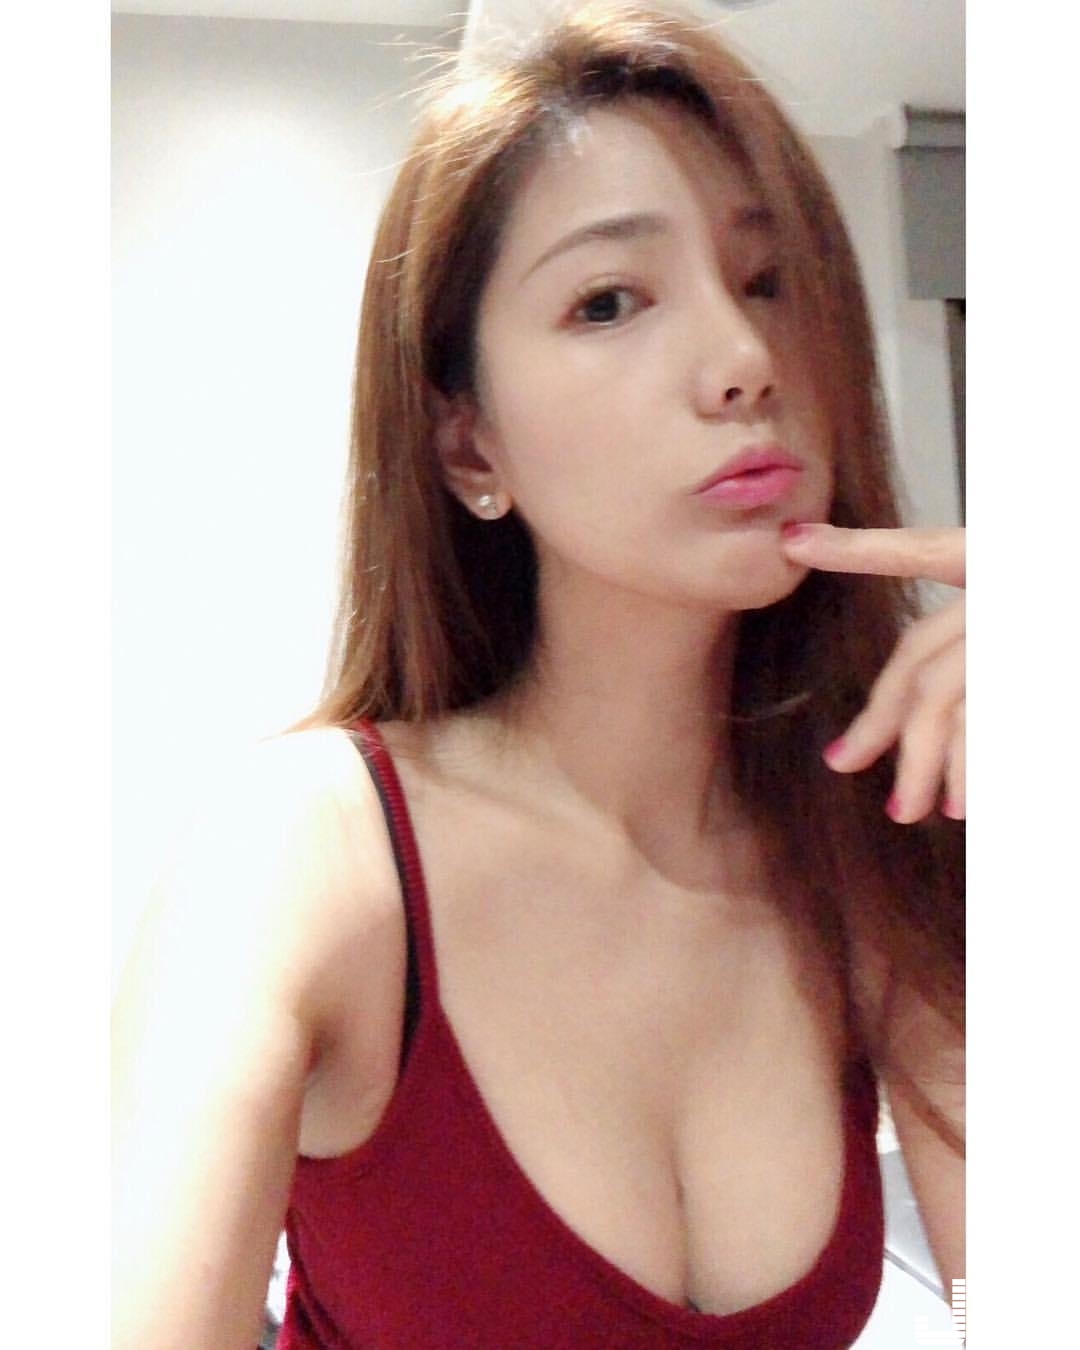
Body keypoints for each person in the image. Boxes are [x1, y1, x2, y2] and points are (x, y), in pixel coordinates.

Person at [111, 2, 964, 1346]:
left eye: (767, 282)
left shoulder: (869, 843)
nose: (745, 364)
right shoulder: (310, 850)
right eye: (608, 301)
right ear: (469, 446)